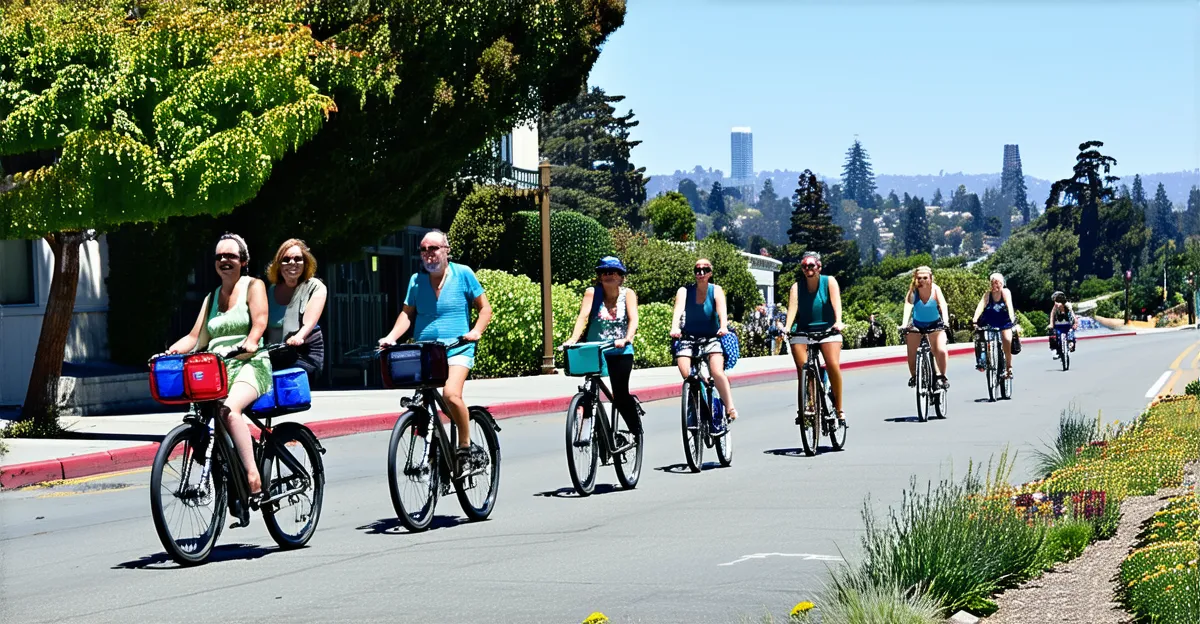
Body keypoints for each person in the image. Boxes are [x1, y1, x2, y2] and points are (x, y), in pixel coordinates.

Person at [167, 233, 272, 501]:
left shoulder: (253, 286)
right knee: (206, 424)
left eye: (231, 256)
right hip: (217, 370)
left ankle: (252, 475)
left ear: (244, 261)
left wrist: (251, 341)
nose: (224, 260)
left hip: (249, 364)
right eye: (219, 257)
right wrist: (170, 351)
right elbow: (195, 338)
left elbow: (260, 320)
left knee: (229, 410)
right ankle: (230, 485)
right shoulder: (211, 297)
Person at [379, 230, 493, 474]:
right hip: (426, 352)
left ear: (446, 250)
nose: (428, 254)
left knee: (451, 395)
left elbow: (485, 309)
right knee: (422, 406)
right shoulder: (416, 281)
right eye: (423, 250)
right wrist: (391, 337)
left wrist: (476, 331)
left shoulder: (463, 274)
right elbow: (407, 314)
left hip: (458, 347)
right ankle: (435, 452)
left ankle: (464, 447)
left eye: (434, 249)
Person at [563, 256, 641, 433]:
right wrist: (573, 340)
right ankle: (596, 434)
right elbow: (583, 316)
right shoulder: (592, 293)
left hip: (620, 349)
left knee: (620, 395)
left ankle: (635, 430)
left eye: (614, 272)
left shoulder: (628, 294)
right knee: (590, 391)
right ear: (599, 276)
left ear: (621, 277)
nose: (609, 275)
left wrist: (628, 337)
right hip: (595, 349)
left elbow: (633, 318)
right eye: (604, 272)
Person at [669, 257, 739, 422]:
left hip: (711, 337)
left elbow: (722, 311)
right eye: (697, 270)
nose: (701, 273)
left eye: (705, 270)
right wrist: (674, 328)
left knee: (716, 371)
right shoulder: (684, 291)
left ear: (710, 273)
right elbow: (678, 310)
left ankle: (729, 407)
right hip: (688, 338)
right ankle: (696, 403)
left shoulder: (716, 290)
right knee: (687, 373)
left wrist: (723, 327)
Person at [784, 251, 847, 425]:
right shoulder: (797, 287)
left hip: (828, 330)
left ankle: (839, 409)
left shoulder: (829, 282)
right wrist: (787, 328)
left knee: (833, 364)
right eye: (804, 266)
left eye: (811, 265)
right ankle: (808, 405)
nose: (808, 269)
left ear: (819, 267)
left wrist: (839, 322)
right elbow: (792, 309)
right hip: (803, 331)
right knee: (803, 369)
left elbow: (836, 303)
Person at [265, 239, 328, 382]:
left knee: (287, 383)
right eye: (286, 259)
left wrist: (298, 337)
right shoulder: (271, 290)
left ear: (305, 263)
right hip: (275, 353)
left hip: (303, 353)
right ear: (278, 265)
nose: (292, 263)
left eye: (297, 259)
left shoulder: (315, 287)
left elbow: (309, 323)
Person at [900, 265, 950, 389]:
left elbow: (943, 305)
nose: (922, 280)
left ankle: (941, 376)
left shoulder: (936, 289)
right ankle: (914, 376)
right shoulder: (913, 290)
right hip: (917, 325)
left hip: (935, 324)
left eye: (925, 278)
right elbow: (908, 306)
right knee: (911, 352)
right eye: (919, 278)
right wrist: (904, 324)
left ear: (930, 278)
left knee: (941, 350)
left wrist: (946, 321)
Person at [971, 272, 1020, 378]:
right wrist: (975, 319)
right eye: (992, 283)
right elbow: (981, 306)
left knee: (1007, 339)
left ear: (1002, 284)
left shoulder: (1005, 292)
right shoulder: (988, 294)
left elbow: (1010, 306)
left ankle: (1008, 367)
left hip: (1004, 322)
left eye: (997, 283)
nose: (995, 286)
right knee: (979, 338)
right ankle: (982, 361)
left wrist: (1012, 319)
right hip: (989, 321)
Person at [1047, 291, 1078, 357]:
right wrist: (1051, 324)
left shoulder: (1068, 305)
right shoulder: (1055, 307)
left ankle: (1071, 344)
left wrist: (1075, 322)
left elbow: (1072, 314)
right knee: (1053, 337)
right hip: (1058, 325)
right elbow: (1052, 315)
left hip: (1067, 325)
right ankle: (1056, 350)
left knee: (1070, 334)